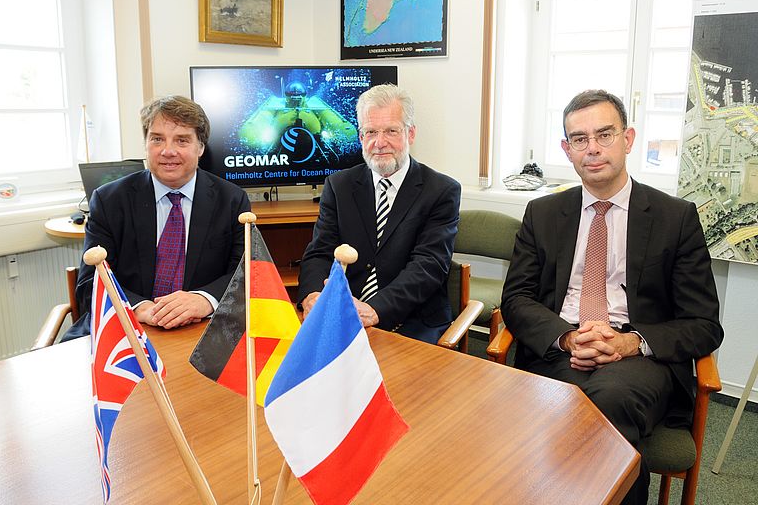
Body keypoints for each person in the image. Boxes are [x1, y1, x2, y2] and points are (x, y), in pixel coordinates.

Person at [501, 89, 723, 504]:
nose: (593, 148)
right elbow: (516, 298)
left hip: (640, 358)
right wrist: (568, 338)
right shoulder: (542, 213)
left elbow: (704, 324)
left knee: (605, 401)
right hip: (559, 349)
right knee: (590, 407)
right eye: (580, 139)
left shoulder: (675, 218)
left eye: (604, 135)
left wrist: (629, 343)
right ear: (567, 149)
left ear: (628, 138)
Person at [63, 95, 250, 341]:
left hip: (200, 331)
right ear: (146, 144)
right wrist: (140, 308)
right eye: (157, 139)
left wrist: (204, 299)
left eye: (182, 140)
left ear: (201, 147)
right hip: (124, 329)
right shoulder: (109, 200)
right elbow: (91, 283)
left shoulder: (232, 200)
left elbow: (246, 274)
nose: (167, 151)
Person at [297, 84, 461, 344]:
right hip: (345, 313)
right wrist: (312, 295)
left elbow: (429, 265)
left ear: (410, 133)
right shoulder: (339, 186)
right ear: (360, 137)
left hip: (412, 321)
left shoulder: (441, 190)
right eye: (371, 132)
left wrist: (375, 309)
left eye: (391, 131)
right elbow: (319, 252)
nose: (380, 143)